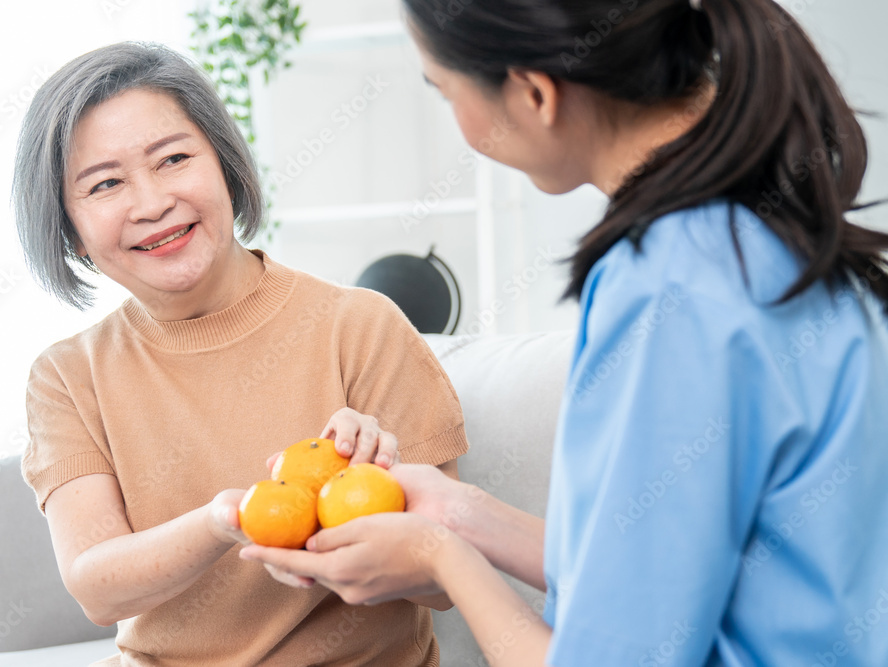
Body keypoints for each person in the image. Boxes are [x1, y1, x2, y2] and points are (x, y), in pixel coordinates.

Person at [239, 0, 888, 664]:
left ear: (533, 93)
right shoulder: (761, 229)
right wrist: (457, 511)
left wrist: (440, 557)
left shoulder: (669, 286)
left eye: (445, 91)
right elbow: (659, 577)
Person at [12, 42, 470, 666]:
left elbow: (449, 581)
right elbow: (96, 586)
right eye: (106, 184)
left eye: (173, 158)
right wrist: (225, 520)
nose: (150, 204)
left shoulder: (359, 326)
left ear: (226, 167)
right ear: (72, 234)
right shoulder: (66, 377)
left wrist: (372, 490)